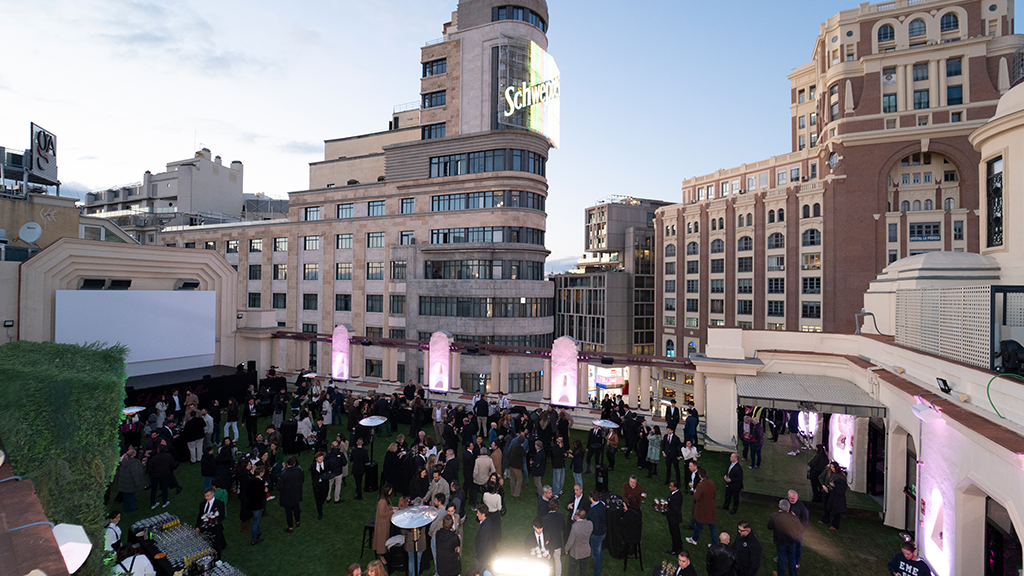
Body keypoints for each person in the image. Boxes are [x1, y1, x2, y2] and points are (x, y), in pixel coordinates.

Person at [767, 499, 803, 576]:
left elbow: (769, 527)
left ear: (779, 506)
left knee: (781, 558)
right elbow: (800, 528)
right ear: (789, 508)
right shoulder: (793, 518)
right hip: (791, 541)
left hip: (780, 542)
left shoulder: (774, 516)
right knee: (792, 559)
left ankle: (780, 574)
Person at [686, 468, 716, 545]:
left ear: (699, 476)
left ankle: (694, 539)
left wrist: (694, 491)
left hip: (701, 509)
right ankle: (714, 543)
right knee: (712, 526)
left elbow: (696, 497)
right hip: (710, 508)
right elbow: (714, 496)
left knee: (698, 524)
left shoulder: (700, 485)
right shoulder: (712, 483)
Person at [196, 487, 227, 557]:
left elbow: (222, 516)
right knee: (206, 543)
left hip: (215, 528)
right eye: (205, 496)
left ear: (213, 494)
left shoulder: (219, 504)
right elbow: (200, 516)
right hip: (205, 527)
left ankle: (218, 559)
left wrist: (215, 522)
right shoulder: (202, 504)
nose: (206, 497)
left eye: (208, 496)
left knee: (216, 544)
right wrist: (197, 526)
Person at [278, 456, 304, 532]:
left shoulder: (284, 474)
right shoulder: (298, 471)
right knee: (296, 508)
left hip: (287, 496)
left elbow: (279, 486)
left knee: (288, 511)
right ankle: (298, 521)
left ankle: (290, 527)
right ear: (294, 463)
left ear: (287, 463)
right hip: (296, 493)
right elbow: (302, 480)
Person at [564, 508, 593, 576]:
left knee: (572, 570)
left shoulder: (575, 526)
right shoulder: (590, 524)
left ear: (578, 516)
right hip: (585, 551)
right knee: (583, 569)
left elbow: (571, 540)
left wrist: (566, 549)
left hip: (575, 552)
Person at [116, 448, 146, 513]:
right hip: (130, 482)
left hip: (124, 481)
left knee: (126, 495)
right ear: (133, 454)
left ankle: (125, 507)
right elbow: (134, 473)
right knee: (131, 496)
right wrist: (137, 482)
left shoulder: (124, 460)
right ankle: (131, 508)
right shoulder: (133, 462)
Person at [147, 444, 176, 509]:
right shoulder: (168, 456)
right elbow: (172, 464)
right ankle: (164, 502)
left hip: (155, 476)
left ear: (158, 450)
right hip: (165, 474)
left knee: (154, 489)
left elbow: (150, 469)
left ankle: (153, 503)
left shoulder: (153, 458)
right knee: (164, 488)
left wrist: (151, 475)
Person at [542, 499, 566, 576]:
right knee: (557, 559)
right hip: (557, 541)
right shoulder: (561, 516)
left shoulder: (545, 518)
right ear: (557, 507)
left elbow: (544, 531)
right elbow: (563, 527)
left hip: (548, 542)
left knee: (547, 559)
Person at [787, 490, 809, 568]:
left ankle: (796, 562)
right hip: (788, 529)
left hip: (797, 531)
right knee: (785, 544)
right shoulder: (787, 501)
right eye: (789, 498)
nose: (791, 500)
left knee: (797, 547)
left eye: (793, 498)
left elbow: (805, 522)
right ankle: (783, 557)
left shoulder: (802, 508)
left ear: (797, 498)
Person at [373, 484, 395, 561]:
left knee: (385, 539)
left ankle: (384, 554)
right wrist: (392, 511)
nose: (391, 491)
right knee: (382, 540)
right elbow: (382, 514)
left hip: (385, 522)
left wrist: (393, 509)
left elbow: (387, 508)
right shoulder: (382, 501)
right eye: (390, 490)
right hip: (382, 524)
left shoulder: (385, 498)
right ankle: (382, 556)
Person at [474, 505, 498, 573]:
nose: (477, 514)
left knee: (477, 569)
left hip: (482, 555)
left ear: (483, 514)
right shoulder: (488, 520)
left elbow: (483, 543)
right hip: (485, 553)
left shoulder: (485, 528)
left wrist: (479, 556)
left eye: (478, 513)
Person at [587, 490, 606, 576]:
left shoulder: (594, 510)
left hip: (596, 534)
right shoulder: (601, 504)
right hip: (602, 532)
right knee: (598, 550)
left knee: (595, 554)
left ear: (591, 498)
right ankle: (600, 566)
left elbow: (595, 525)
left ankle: (597, 572)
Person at [248, 465, 267, 546]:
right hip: (258, 505)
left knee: (256, 520)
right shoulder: (260, 483)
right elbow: (262, 495)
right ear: (261, 473)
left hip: (251, 504)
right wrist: (265, 491)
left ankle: (258, 532)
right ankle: (253, 539)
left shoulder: (251, 481)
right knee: (256, 521)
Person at [311, 451, 330, 520]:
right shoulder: (313, 466)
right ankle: (320, 513)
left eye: (322, 458)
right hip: (317, 485)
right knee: (317, 499)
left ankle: (321, 503)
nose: (321, 459)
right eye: (319, 458)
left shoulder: (326, 463)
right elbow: (313, 476)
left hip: (324, 483)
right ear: (316, 459)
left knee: (324, 495)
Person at [666, 480, 684, 554]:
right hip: (674, 518)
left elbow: (674, 510)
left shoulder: (676, 497)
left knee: (674, 533)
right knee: (676, 532)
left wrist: (665, 511)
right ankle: (679, 545)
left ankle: (675, 549)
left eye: (671, 486)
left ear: (675, 488)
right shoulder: (675, 494)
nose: (669, 487)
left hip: (674, 518)